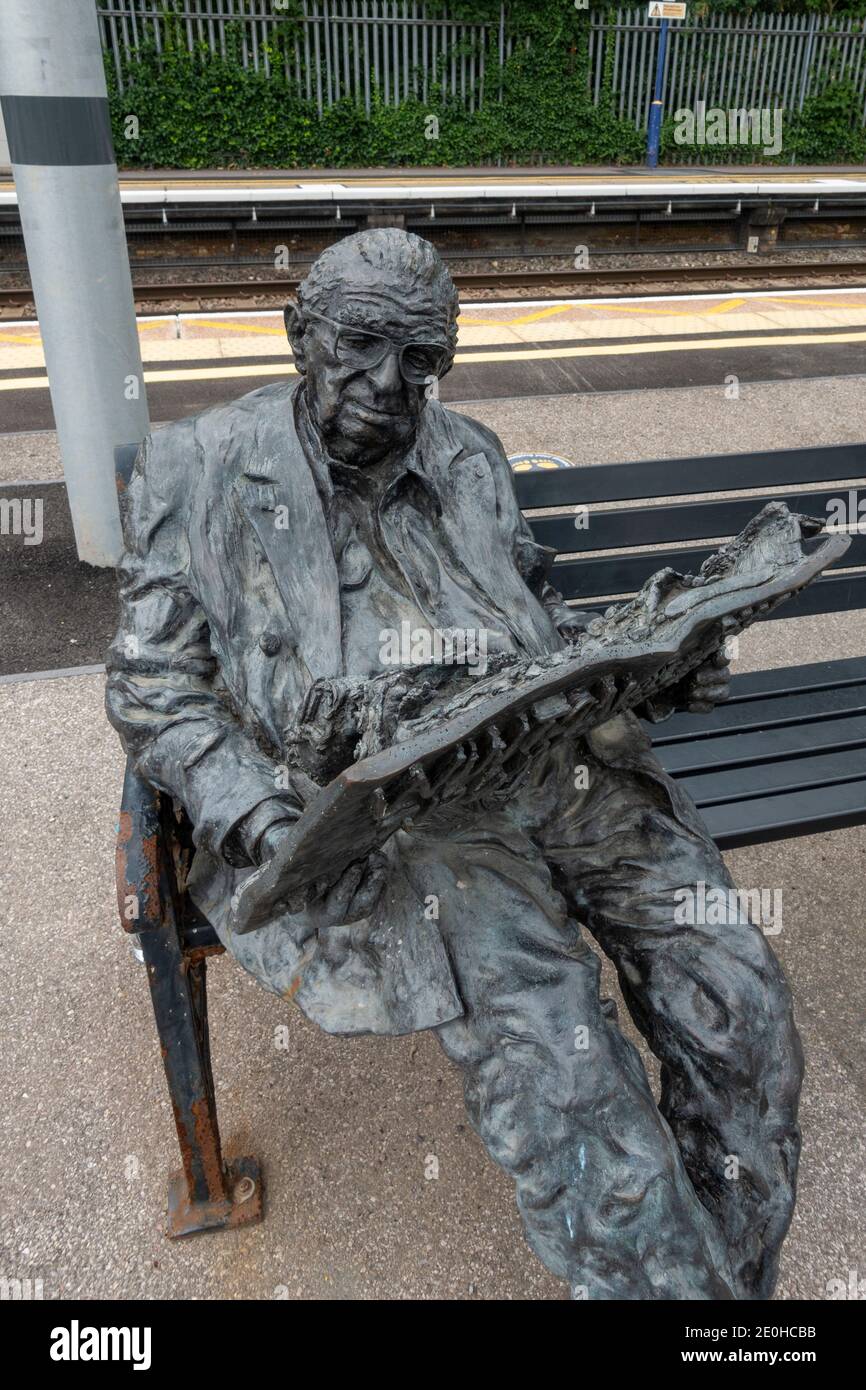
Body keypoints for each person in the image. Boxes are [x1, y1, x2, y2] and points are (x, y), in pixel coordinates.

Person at [106, 229, 803, 1299]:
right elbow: (153, 682)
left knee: (737, 997)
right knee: (565, 1064)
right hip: (406, 825)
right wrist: (258, 816)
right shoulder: (195, 466)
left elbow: (531, 613)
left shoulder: (467, 452)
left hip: (557, 766)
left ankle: (716, 1290)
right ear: (301, 334)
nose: (391, 386)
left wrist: (650, 672)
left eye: (422, 359)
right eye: (363, 346)